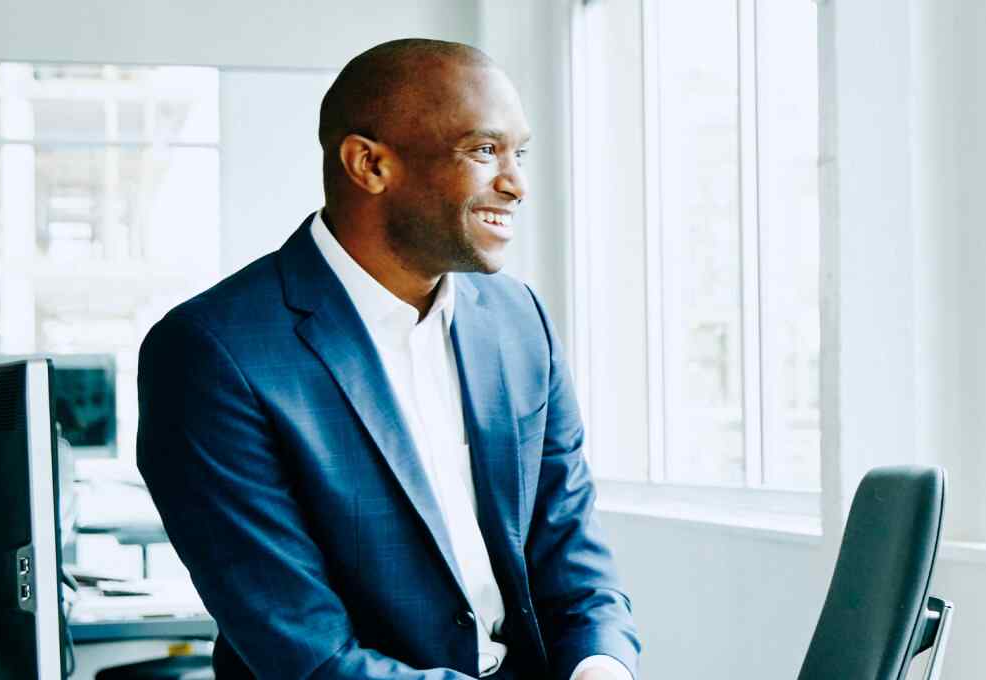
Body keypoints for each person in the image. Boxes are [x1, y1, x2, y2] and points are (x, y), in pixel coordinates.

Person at [136, 38, 637, 680]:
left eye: (520, 153)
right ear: (368, 164)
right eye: (483, 150)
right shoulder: (211, 352)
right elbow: (306, 656)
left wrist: (600, 665)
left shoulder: (520, 321)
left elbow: (568, 540)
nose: (515, 184)